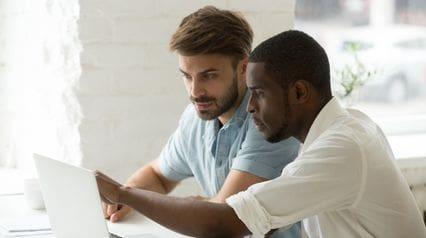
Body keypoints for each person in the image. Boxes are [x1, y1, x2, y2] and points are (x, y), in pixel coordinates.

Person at [96, 30, 426, 237]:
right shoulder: (343, 129)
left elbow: (221, 223)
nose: (250, 108)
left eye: (259, 94)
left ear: (299, 93)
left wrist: (121, 193)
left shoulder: (342, 148)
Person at [103, 6, 300, 237]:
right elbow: (158, 176)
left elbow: (222, 217)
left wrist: (131, 195)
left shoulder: (269, 121)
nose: (195, 91)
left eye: (209, 75)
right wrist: (124, 198)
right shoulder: (195, 118)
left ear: (244, 68)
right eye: (187, 76)